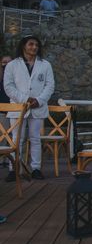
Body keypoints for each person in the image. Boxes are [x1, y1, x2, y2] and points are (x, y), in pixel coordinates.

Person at [4, 35, 55, 181]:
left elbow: (49, 85)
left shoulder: (45, 65)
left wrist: (39, 100)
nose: (34, 47)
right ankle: (14, 169)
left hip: (37, 106)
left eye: (36, 45)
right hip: (18, 106)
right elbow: (8, 86)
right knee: (16, 139)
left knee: (35, 138)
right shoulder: (12, 65)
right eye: (31, 44)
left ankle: (36, 169)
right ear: (23, 46)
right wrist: (25, 99)